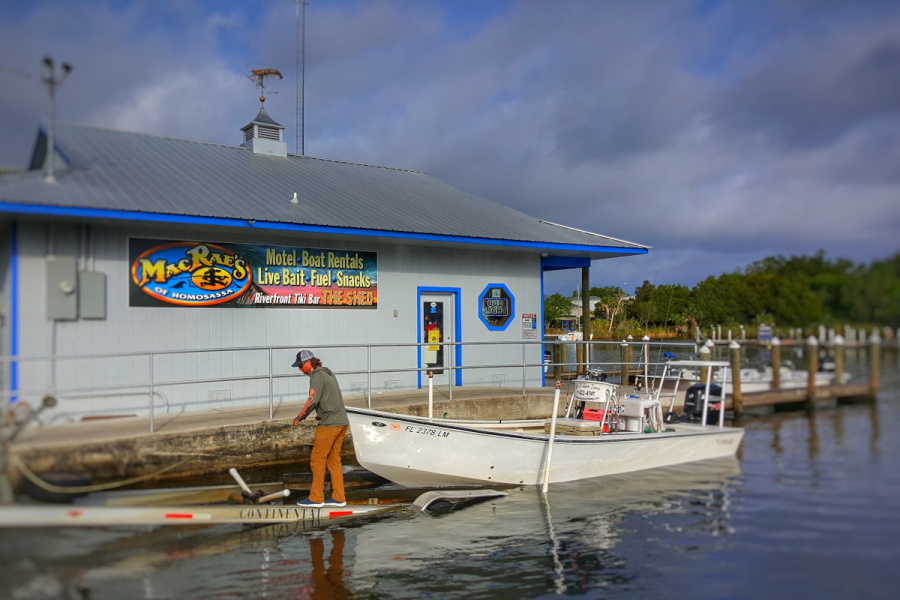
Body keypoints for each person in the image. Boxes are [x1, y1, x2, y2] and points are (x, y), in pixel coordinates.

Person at [291, 349, 349, 508]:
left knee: (317, 460)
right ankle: (339, 497)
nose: (299, 369)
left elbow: (312, 400)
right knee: (334, 461)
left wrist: (300, 417)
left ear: (308, 363)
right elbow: (332, 398)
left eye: (300, 366)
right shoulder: (328, 373)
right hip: (342, 422)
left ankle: (316, 498)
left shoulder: (316, 376)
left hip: (330, 425)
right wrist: (321, 414)